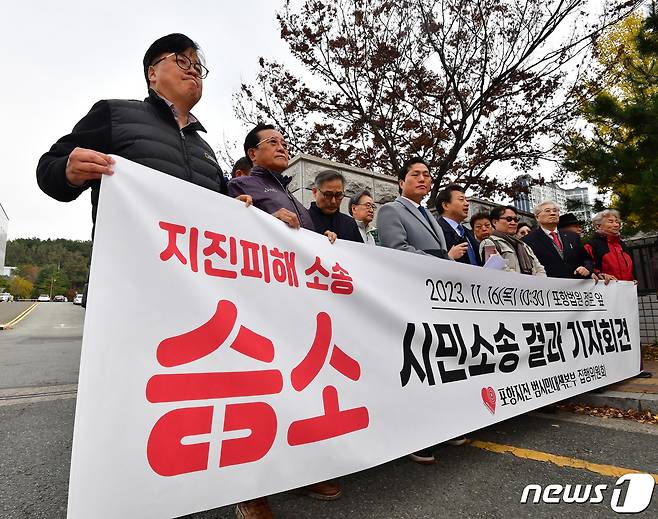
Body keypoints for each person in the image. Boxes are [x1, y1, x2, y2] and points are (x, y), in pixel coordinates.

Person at [37, 34, 239, 230]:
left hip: (191, 262)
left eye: (197, 67)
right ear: (152, 73)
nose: (193, 71)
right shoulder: (114, 114)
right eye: (182, 61)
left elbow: (218, 217)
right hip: (126, 261)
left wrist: (239, 212)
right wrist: (67, 170)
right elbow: (48, 170)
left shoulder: (207, 152)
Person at [228, 123, 336, 241]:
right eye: (273, 142)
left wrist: (322, 239)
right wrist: (272, 220)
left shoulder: (290, 196)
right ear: (253, 154)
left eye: (284, 145)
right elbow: (234, 232)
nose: (281, 148)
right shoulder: (240, 185)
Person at [585, 209, 651, 378]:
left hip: (625, 296)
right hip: (606, 298)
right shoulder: (592, 245)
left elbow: (628, 267)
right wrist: (600, 275)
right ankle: (609, 372)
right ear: (598, 225)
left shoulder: (623, 244)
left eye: (617, 221)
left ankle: (635, 367)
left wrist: (632, 280)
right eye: (611, 221)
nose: (616, 224)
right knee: (608, 334)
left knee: (630, 331)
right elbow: (591, 268)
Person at [378, 157, 462, 261]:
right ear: (402, 183)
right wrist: (442, 261)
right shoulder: (390, 210)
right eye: (415, 175)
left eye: (426, 175)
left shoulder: (427, 214)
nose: (422, 179)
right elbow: (397, 250)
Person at [523, 201, 597, 280]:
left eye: (555, 211)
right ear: (537, 217)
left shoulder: (573, 237)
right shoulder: (528, 241)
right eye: (547, 211)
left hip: (576, 286)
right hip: (548, 287)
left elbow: (586, 259)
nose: (552, 213)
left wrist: (587, 269)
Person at [479, 206, 546, 276]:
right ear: (495, 222)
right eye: (509, 219)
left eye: (516, 219)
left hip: (534, 286)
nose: (513, 223)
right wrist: (524, 282)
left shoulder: (524, 246)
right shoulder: (488, 243)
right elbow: (496, 270)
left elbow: (539, 269)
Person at [308, 170, 363, 242]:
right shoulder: (304, 220)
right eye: (328, 195)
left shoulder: (350, 223)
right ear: (315, 192)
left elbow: (359, 251)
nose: (333, 201)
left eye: (338, 195)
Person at [435, 184, 481, 266]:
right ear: (445, 205)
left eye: (466, 200)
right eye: (461, 200)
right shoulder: (435, 229)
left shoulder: (469, 232)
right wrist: (449, 257)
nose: (467, 203)